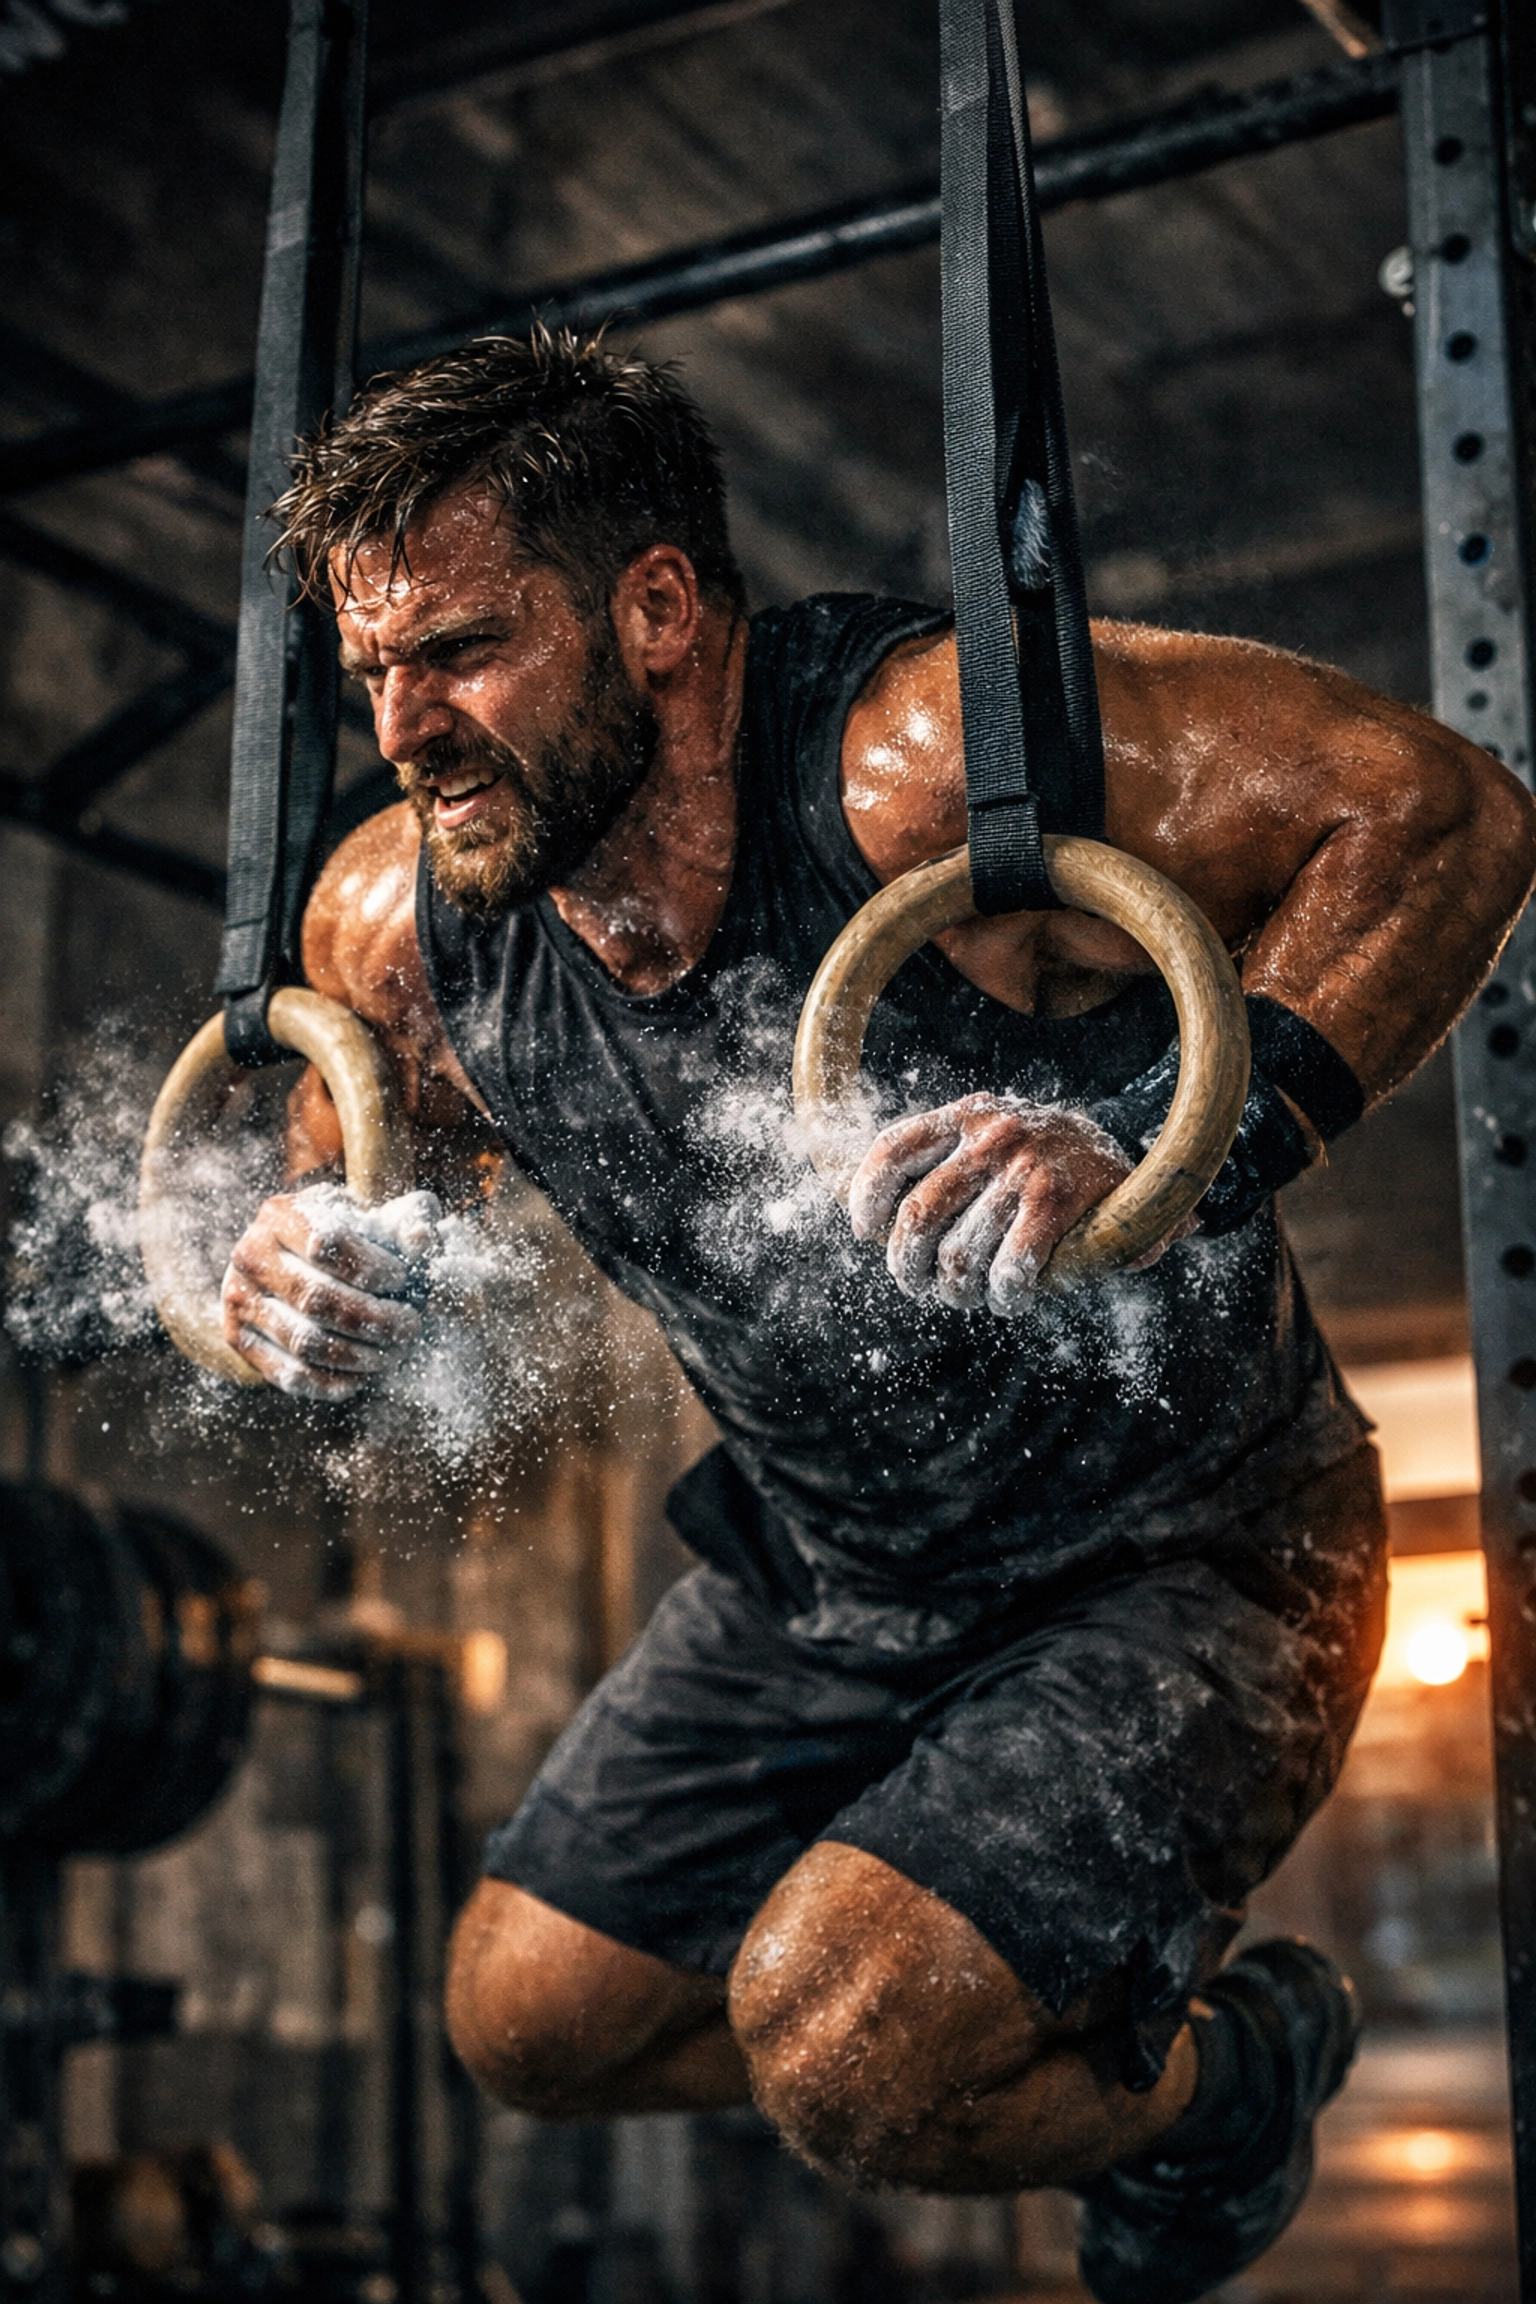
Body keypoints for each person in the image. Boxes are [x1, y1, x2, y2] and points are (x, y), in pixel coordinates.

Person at [221, 330, 1536, 2304]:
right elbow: (375, 1183)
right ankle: (1104, 2056)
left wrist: (1180, 1139)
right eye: (375, 670)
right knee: (527, 2027)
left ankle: (1184, 2080)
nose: (404, 727)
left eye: (467, 650)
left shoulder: (916, 765)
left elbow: (1439, 818)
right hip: (830, 1573)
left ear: (658, 608)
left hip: (1185, 1555)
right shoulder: (396, 932)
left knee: (846, 2046)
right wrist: (305, 1258)